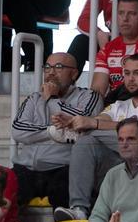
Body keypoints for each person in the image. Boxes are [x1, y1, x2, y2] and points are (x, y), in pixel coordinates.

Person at [10, 52, 102, 210]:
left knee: (67, 193)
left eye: (58, 67)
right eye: (47, 67)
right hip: (26, 168)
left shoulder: (89, 96)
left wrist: (52, 99)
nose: (51, 72)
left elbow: (80, 123)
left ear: (74, 73)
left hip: (63, 168)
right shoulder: (34, 98)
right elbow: (18, 130)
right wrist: (53, 132)